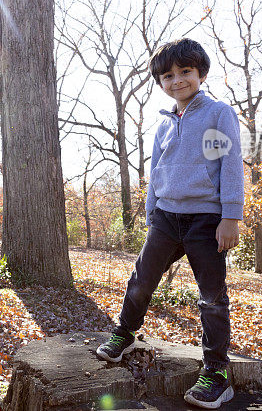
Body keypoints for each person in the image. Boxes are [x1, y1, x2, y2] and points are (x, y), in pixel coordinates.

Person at [95, 38, 244, 409]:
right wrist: (150, 215)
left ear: (201, 73)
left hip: (206, 219)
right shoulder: (163, 123)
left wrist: (231, 216)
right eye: (168, 75)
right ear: (160, 81)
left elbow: (231, 164)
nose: (177, 80)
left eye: (185, 72)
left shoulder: (218, 114)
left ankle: (216, 372)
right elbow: (154, 171)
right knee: (142, 277)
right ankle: (125, 332)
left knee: (211, 295)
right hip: (165, 217)